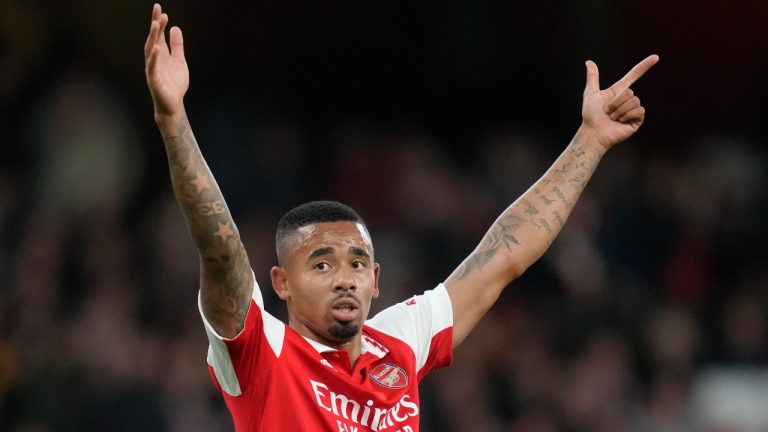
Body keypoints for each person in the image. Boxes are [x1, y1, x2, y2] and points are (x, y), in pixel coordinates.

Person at [144, 3, 658, 431]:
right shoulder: (260, 352)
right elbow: (220, 247)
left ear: (376, 281)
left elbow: (504, 252)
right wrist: (174, 122)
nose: (344, 278)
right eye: (321, 265)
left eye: (357, 263)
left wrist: (589, 142)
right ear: (281, 282)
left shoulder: (398, 342)